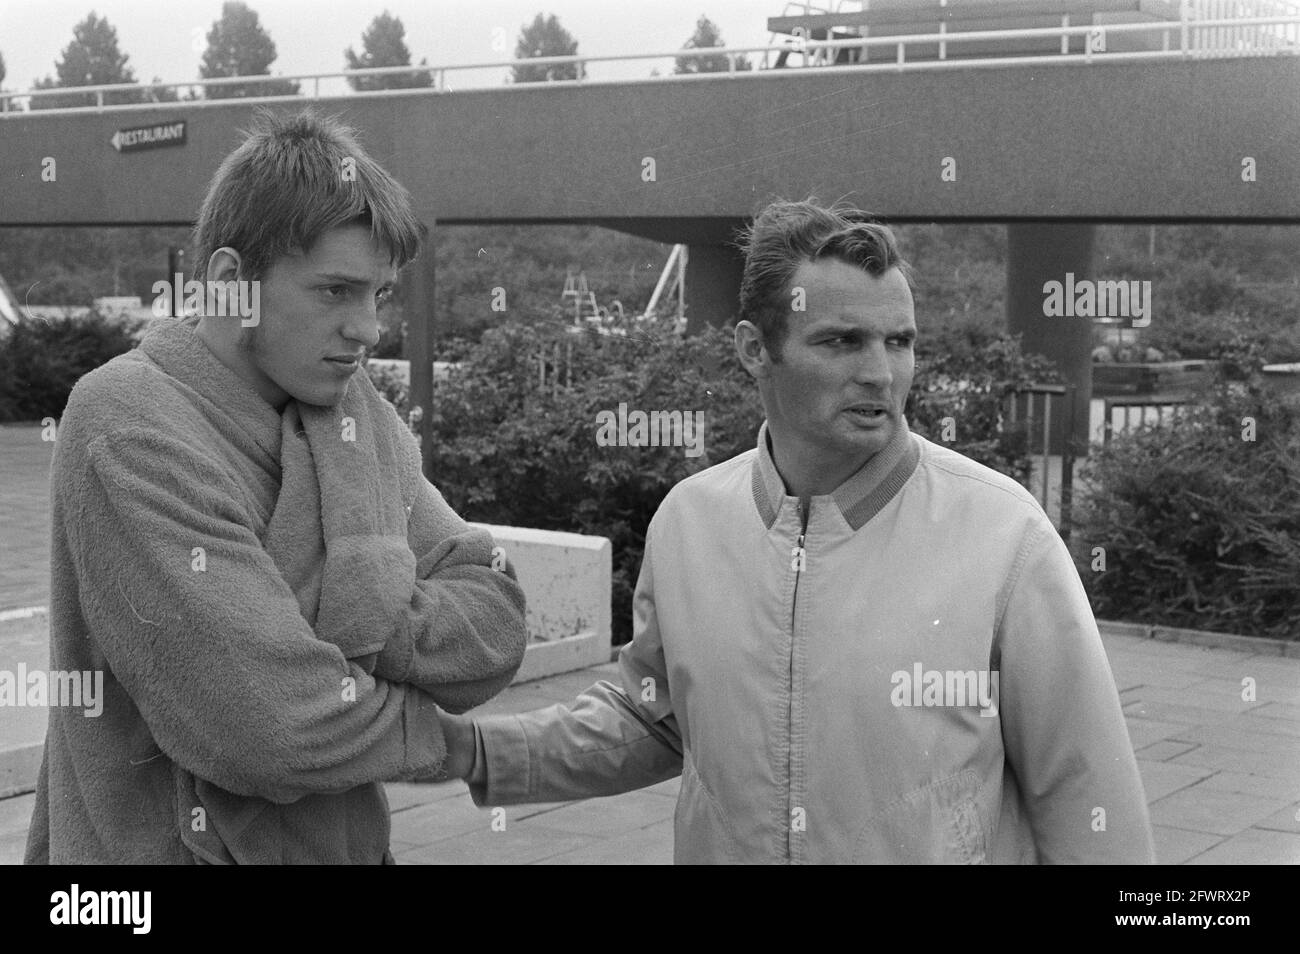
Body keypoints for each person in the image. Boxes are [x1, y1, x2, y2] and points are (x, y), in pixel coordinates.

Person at [439, 199, 1156, 864]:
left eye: (898, 341)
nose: (881, 373)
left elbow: (1089, 798)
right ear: (755, 348)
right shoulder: (690, 523)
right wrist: (473, 749)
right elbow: (653, 717)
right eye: (842, 341)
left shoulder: (1006, 538)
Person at [25, 110, 528, 864]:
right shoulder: (128, 426)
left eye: (380, 295)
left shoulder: (361, 419)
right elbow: (268, 727)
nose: (368, 329)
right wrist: (437, 734)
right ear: (230, 284)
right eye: (335, 291)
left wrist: (340, 611)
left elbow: (498, 620)